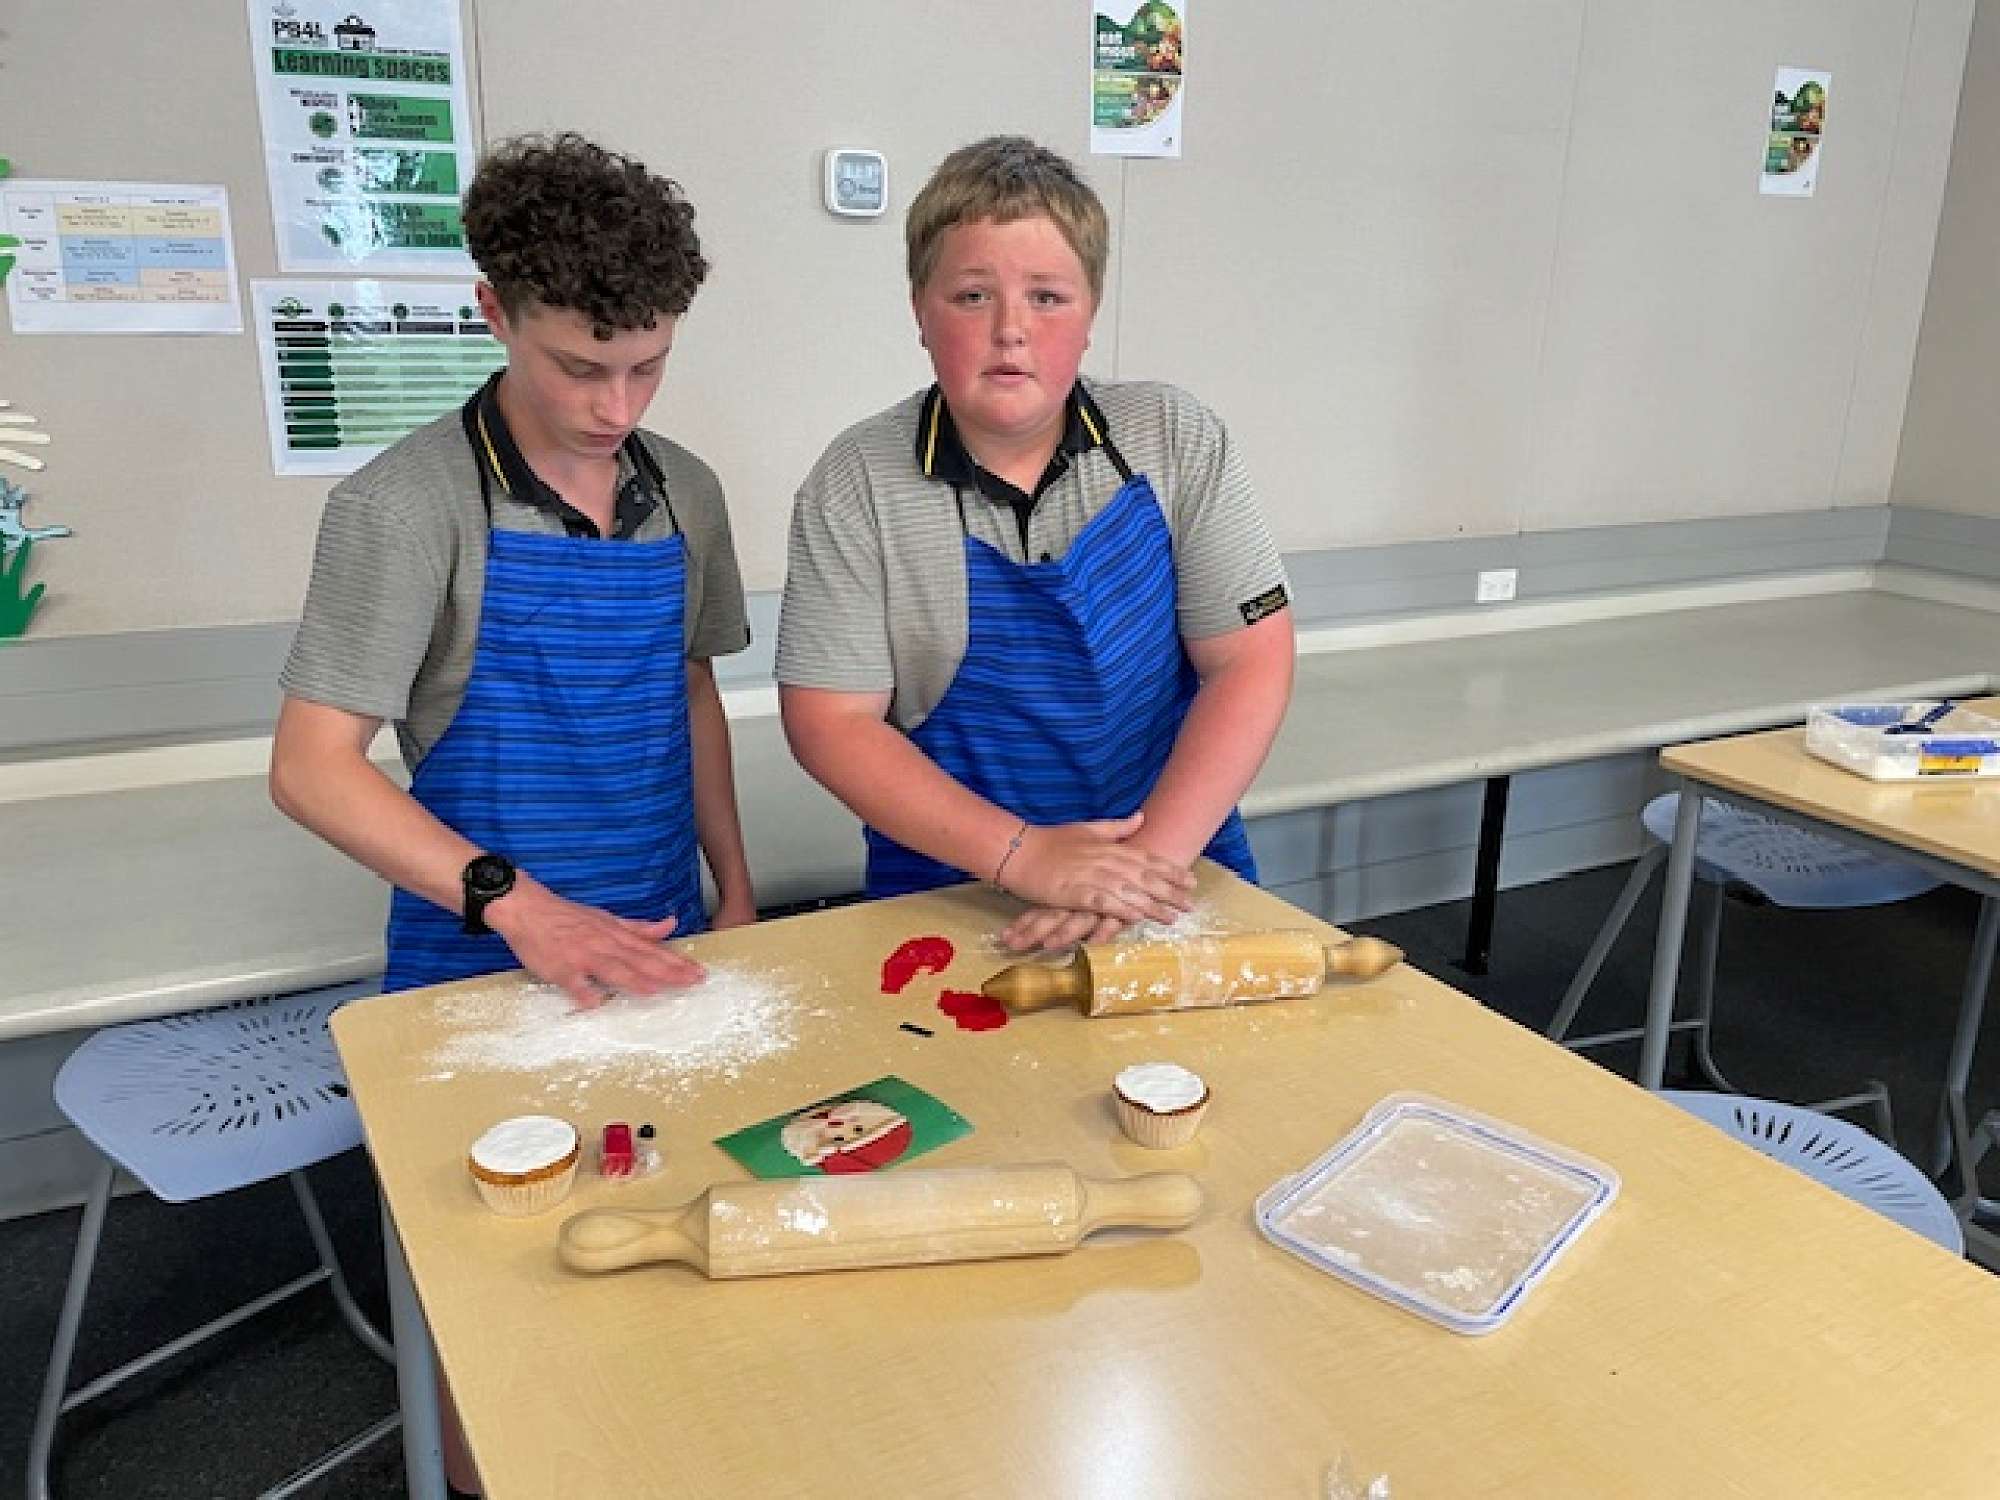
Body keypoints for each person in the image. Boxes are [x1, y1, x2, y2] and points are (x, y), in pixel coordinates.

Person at [777, 135, 1294, 954]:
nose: (1010, 330)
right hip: (950, 891)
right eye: (972, 296)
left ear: (1091, 313)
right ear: (919, 312)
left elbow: (1250, 661)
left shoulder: (1174, 439)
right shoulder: (858, 483)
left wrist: (1139, 872)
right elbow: (831, 723)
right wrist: (1025, 856)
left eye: (1047, 297)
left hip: (1172, 870)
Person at [272, 133, 756, 1007]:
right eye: (579, 369)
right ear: (495, 313)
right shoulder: (404, 508)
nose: (617, 407)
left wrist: (737, 890)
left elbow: (692, 695)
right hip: (475, 964)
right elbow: (311, 770)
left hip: (662, 937)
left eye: (647, 368)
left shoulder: (686, 491)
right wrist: (524, 907)